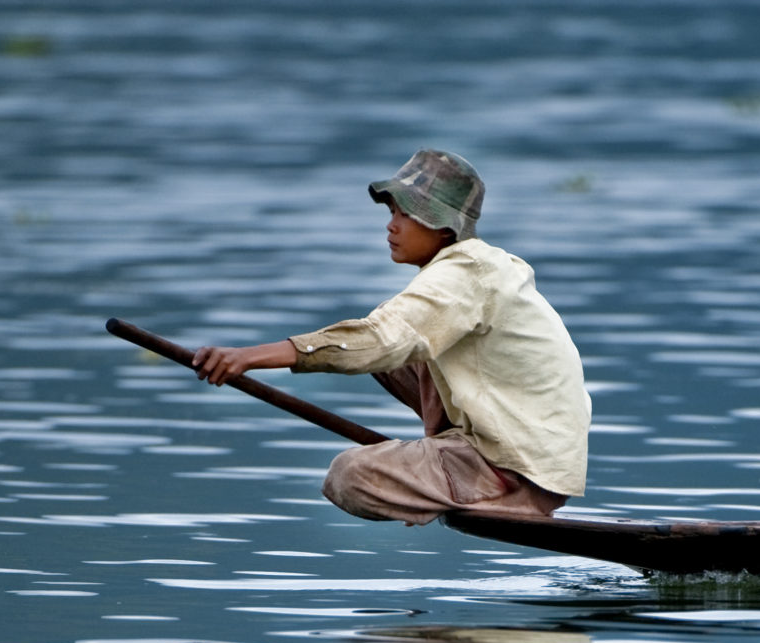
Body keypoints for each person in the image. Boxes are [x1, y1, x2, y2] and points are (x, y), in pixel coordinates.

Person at [188, 149, 589, 525]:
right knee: (393, 334)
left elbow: (380, 339)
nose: (391, 225)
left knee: (350, 474)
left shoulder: (463, 275)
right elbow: (387, 335)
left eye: (406, 215)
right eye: (393, 212)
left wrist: (249, 357)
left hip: (519, 469)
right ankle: (452, 460)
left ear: (442, 226)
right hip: (533, 453)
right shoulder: (477, 268)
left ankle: (492, 489)